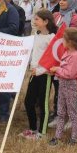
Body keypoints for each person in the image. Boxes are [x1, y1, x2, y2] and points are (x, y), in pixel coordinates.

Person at [22, 9, 58, 139]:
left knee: (43, 103)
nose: (34, 21)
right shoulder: (35, 35)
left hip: (45, 75)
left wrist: (40, 70)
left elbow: (53, 59)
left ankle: (42, 132)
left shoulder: (52, 38)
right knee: (28, 102)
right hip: (34, 74)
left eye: (37, 19)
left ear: (46, 21)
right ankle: (32, 128)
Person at [48, 28, 77, 146]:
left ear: (70, 42)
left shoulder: (76, 56)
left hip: (70, 85)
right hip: (62, 84)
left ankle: (74, 138)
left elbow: (69, 73)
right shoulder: (67, 53)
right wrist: (56, 71)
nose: (62, 41)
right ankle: (57, 136)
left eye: (64, 39)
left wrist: (57, 69)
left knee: (72, 113)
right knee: (60, 112)